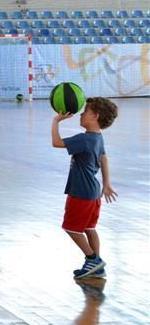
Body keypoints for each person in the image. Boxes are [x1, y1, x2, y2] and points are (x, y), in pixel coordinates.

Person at [52, 97, 118, 280]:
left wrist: (56, 121)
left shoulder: (85, 139)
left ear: (95, 116)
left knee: (71, 228)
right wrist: (106, 184)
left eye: (85, 111)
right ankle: (96, 266)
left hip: (81, 193)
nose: (81, 114)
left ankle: (92, 259)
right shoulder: (98, 137)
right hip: (93, 193)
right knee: (90, 228)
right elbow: (104, 158)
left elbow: (56, 142)